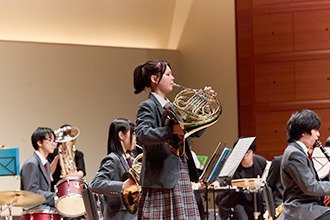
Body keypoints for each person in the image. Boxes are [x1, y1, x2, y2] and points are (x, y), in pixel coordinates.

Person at [133, 60, 216, 219]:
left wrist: (203, 107)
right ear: (154, 79)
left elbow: (195, 133)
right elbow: (142, 134)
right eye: (168, 74)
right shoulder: (148, 105)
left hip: (180, 172)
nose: (173, 78)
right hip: (162, 178)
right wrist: (171, 130)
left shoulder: (172, 107)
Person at [278, 109, 330, 220]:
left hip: (307, 207)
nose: (318, 134)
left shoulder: (297, 151)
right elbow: (310, 187)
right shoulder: (294, 154)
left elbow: (309, 181)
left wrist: (327, 178)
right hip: (301, 209)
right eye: (315, 130)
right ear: (304, 132)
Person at [91, 118, 137, 220]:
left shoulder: (131, 160)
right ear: (121, 135)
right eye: (132, 134)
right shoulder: (113, 159)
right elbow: (95, 184)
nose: (135, 139)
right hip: (119, 216)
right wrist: (123, 186)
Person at [213, 140, 267, 220]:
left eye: (247, 152)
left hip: (256, 201)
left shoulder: (261, 162)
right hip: (238, 201)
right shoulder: (233, 165)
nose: (244, 155)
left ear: (253, 153)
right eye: (242, 153)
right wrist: (218, 182)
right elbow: (225, 178)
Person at [20, 127, 57, 211]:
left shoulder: (46, 163)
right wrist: (56, 196)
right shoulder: (31, 163)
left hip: (44, 205)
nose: (53, 144)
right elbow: (32, 192)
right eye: (49, 140)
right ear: (39, 143)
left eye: (54, 141)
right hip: (34, 207)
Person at [47, 124, 86, 192]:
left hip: (73, 185)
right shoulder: (53, 153)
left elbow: (81, 172)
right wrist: (57, 159)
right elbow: (49, 172)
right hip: (56, 186)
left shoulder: (78, 154)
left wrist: (72, 175)